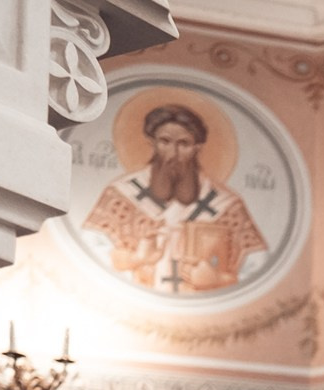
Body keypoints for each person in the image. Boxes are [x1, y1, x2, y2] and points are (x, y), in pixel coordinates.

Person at [82, 102, 269, 294]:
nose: (173, 154)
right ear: (152, 143)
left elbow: (257, 265)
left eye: (184, 144)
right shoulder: (121, 195)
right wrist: (136, 259)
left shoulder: (226, 205)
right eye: (165, 142)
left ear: (197, 148)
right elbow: (90, 251)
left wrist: (218, 280)